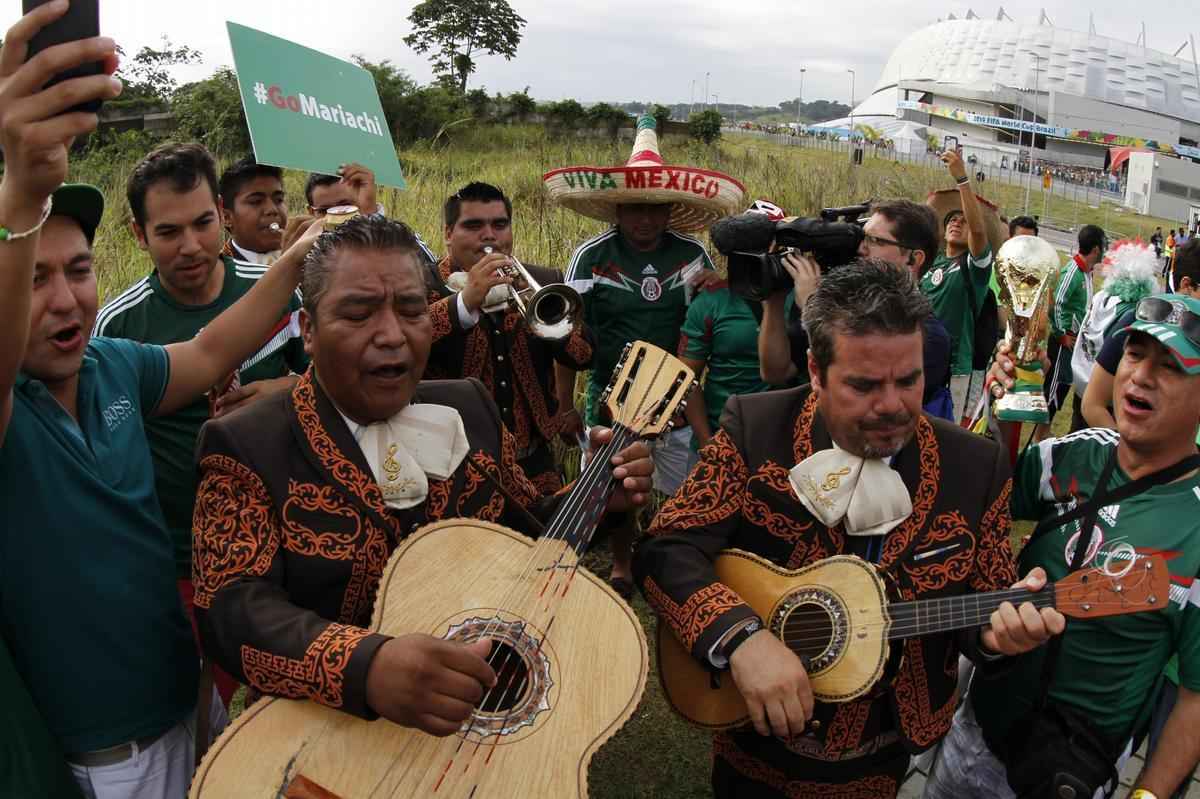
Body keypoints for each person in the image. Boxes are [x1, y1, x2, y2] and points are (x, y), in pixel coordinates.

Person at [0, 9, 324, 794]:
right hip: (115, 754)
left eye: (76, 269)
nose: (65, 296)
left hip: (187, 693)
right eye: (33, 278)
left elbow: (213, 349)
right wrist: (20, 197)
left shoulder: (115, 364)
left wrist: (300, 257)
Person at [191, 214, 654, 736]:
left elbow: (525, 531)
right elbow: (231, 610)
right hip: (322, 745)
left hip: (474, 732)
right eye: (358, 314)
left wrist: (594, 497)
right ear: (310, 332)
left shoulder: (469, 410)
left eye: (411, 310)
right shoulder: (249, 443)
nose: (392, 335)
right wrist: (367, 666)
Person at [636, 260, 1059, 798]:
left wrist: (998, 638)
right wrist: (743, 640)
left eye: (908, 380)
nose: (892, 405)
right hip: (752, 740)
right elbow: (667, 546)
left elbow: (985, 605)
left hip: (880, 753)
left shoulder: (977, 468)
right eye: (863, 385)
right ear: (815, 370)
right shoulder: (757, 427)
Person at [927, 293, 1200, 799]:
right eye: (1134, 355)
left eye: (1171, 367)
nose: (1140, 376)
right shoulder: (1075, 454)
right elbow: (980, 504)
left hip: (1067, 775)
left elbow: (1194, 697)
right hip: (972, 738)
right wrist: (1003, 407)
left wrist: (1149, 794)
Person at [92, 142, 308, 706]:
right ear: (138, 235)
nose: (190, 246)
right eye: (167, 233)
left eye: (202, 224)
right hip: (178, 561)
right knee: (200, 716)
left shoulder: (274, 295)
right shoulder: (118, 325)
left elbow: (333, 385)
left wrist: (286, 389)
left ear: (221, 212)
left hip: (283, 546)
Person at [548, 113, 742, 597]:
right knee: (617, 489)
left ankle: (677, 559)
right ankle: (622, 561)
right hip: (611, 398)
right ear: (616, 209)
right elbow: (566, 339)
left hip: (677, 399)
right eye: (635, 209)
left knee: (683, 484)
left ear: (671, 209)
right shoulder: (589, 257)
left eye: (656, 209)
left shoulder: (692, 256)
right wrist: (564, 404)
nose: (645, 219)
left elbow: (706, 327)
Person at [423, 181, 594, 494]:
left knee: (547, 541)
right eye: (473, 225)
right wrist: (464, 302)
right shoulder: (423, 285)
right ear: (448, 234)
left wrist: (544, 322)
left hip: (533, 462)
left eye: (499, 224)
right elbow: (405, 346)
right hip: (453, 469)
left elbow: (584, 356)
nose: (489, 235)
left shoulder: (544, 281)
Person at [758, 199, 954, 419]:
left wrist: (813, 308)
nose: (861, 248)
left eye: (874, 240)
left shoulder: (927, 336)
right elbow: (776, 372)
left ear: (913, 258)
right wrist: (773, 302)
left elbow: (859, 393)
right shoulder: (836, 302)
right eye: (863, 237)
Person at [920, 151, 1001, 424]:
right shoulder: (929, 263)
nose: (957, 222)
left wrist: (962, 179)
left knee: (944, 435)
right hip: (917, 360)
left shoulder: (974, 267)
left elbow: (979, 233)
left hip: (954, 369)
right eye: (952, 219)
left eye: (963, 220)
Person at [1071, 240, 1160, 433]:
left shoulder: (1101, 297)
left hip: (1081, 379)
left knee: (1076, 433)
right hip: (1105, 396)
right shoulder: (1131, 312)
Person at [1034, 224, 1103, 439]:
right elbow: (1057, 303)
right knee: (1054, 387)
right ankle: (1039, 433)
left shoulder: (1087, 273)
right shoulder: (1073, 271)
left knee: (1063, 385)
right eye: (1104, 245)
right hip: (1064, 342)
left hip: (1074, 343)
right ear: (1096, 249)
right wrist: (1062, 333)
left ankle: (1045, 431)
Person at [304, 162, 437, 266]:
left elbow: (433, 278)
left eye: (345, 207)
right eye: (324, 211)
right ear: (311, 212)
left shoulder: (401, 239)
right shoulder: (303, 256)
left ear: (361, 201)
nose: (337, 218)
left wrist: (371, 223)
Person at [218, 155, 285, 264]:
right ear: (226, 217)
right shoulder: (218, 274)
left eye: (279, 200)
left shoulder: (308, 259)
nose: (272, 210)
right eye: (256, 201)